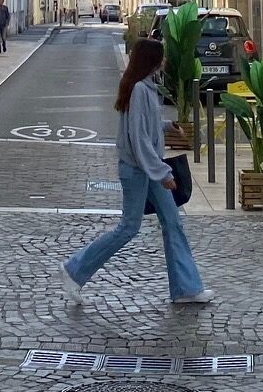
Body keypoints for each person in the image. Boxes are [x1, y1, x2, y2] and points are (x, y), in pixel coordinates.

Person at [59, 37, 212, 306]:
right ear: (151, 61)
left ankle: (186, 288)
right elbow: (138, 138)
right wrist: (163, 174)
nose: (164, 62)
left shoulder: (144, 86)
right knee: (128, 228)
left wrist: (166, 126)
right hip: (139, 170)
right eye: (161, 58)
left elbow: (145, 125)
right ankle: (74, 270)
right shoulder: (140, 89)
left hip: (148, 168)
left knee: (173, 222)